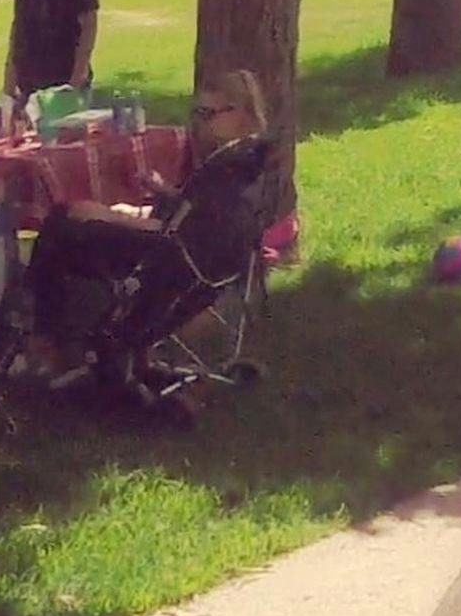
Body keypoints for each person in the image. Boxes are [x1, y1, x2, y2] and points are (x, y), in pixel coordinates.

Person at [24, 71, 276, 395]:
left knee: (62, 222)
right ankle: (62, 339)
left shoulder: (228, 169)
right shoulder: (248, 159)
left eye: (210, 114)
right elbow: (202, 218)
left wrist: (112, 217)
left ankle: (43, 340)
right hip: (200, 266)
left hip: (170, 266)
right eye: (199, 113)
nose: (202, 124)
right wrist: (165, 193)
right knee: (77, 220)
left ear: (242, 114)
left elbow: (185, 236)